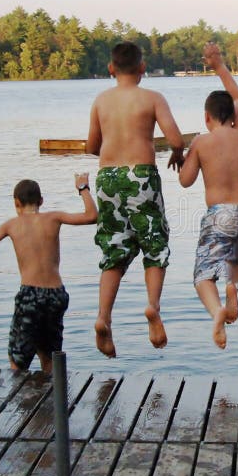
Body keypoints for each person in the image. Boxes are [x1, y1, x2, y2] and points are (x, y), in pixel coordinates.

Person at [86, 40, 186, 358]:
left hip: (107, 177)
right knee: (155, 246)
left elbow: (92, 146)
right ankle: (153, 308)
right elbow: (174, 138)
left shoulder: (101, 101)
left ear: (111, 68)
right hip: (141, 175)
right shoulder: (152, 98)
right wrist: (177, 153)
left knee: (114, 250)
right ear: (143, 68)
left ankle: (103, 317)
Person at [0, 174, 98, 374]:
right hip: (56, 294)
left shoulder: (11, 225)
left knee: (18, 361)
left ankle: (21, 402)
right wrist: (83, 188)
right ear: (41, 201)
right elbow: (91, 216)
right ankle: (53, 398)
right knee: (50, 355)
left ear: (16, 202)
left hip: (30, 296)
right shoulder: (54, 217)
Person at [178, 42, 238, 349]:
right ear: (232, 115)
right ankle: (232, 285)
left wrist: (185, 157)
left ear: (206, 117)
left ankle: (217, 312)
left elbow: (186, 181)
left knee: (202, 277)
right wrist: (218, 66)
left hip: (220, 214)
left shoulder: (201, 141)